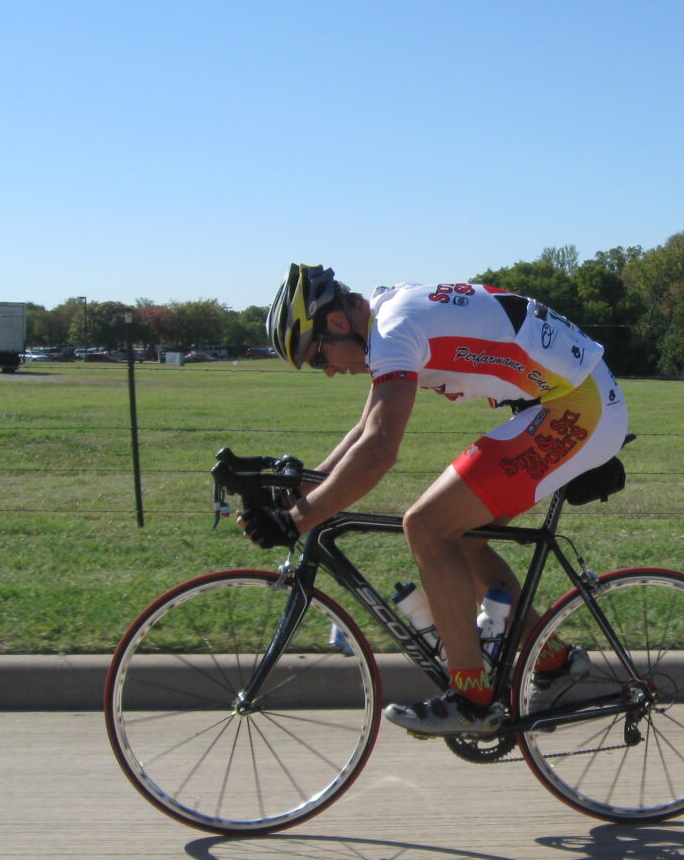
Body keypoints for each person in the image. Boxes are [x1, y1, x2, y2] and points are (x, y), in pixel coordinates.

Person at [244, 263, 629, 737]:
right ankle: (552, 660)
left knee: (426, 526)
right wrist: (295, 496)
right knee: (458, 535)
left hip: (579, 405)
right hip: (563, 398)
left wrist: (299, 520)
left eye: (318, 355)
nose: (327, 371)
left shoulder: (393, 330)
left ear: (338, 323)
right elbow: (363, 431)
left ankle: (472, 697)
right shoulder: (388, 320)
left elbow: (379, 451)